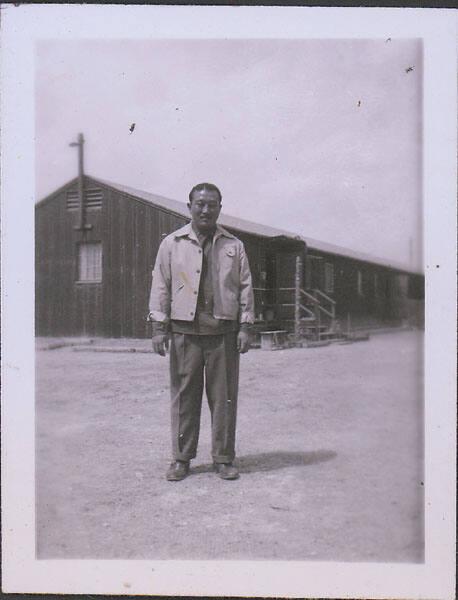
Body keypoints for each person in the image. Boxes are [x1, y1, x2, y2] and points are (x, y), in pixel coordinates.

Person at [148, 183, 255, 481]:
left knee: (224, 399)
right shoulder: (172, 243)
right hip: (184, 333)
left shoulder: (234, 246)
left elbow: (245, 286)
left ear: (220, 207)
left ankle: (223, 458)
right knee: (184, 398)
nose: (206, 209)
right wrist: (159, 327)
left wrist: (246, 326)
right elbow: (161, 285)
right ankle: (181, 459)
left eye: (212, 204)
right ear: (189, 206)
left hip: (223, 333)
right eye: (200, 204)